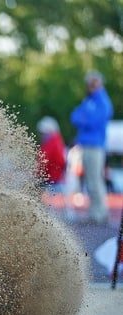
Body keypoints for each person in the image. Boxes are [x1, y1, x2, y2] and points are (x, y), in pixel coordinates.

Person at [70, 70, 113, 225]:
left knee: (95, 181)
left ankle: (100, 214)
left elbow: (94, 121)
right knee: (90, 181)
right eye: (89, 82)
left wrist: (84, 118)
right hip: (87, 145)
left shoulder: (102, 101)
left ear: (99, 82)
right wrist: (85, 118)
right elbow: (74, 116)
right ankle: (95, 213)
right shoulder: (89, 100)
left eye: (93, 82)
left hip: (95, 146)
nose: (90, 85)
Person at [36, 116, 67, 189]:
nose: (41, 135)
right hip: (54, 180)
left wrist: (35, 174)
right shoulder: (56, 141)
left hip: (52, 181)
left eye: (43, 133)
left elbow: (43, 161)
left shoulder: (52, 143)